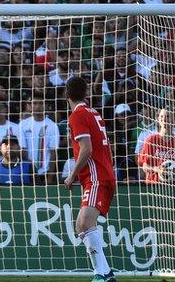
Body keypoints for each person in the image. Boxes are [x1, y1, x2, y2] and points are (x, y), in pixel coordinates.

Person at [63, 76, 117, 282]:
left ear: (66, 95)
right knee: (82, 225)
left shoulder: (77, 116)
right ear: (86, 93)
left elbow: (86, 149)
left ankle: (101, 274)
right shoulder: (95, 113)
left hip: (95, 176)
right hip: (102, 174)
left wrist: (71, 176)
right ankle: (105, 273)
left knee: (84, 224)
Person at [138, 108, 175, 184]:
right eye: (161, 116)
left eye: (167, 116)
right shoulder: (150, 140)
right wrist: (157, 169)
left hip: (174, 185)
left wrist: (173, 170)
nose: (164, 119)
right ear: (158, 119)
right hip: (154, 185)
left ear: (174, 120)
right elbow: (144, 166)